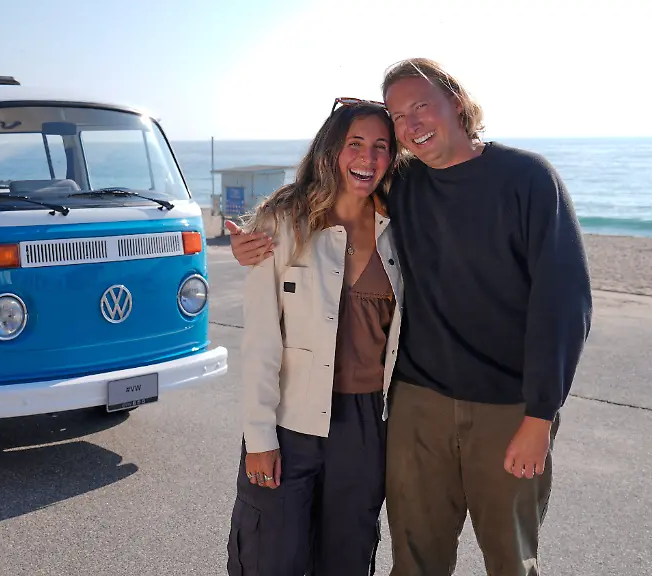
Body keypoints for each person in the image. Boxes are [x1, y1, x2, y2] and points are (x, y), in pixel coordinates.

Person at [227, 58, 593, 576]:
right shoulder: (372, 198)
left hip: (486, 411)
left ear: (458, 104)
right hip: (404, 407)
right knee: (398, 561)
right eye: (400, 116)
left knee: (505, 560)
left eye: (422, 107)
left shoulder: (515, 181)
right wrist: (251, 242)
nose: (411, 124)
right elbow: (326, 196)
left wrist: (541, 412)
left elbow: (565, 302)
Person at [226, 98, 403, 576]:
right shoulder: (283, 222)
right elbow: (261, 340)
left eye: (381, 147)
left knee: (347, 559)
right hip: (289, 423)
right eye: (356, 144)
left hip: (366, 427)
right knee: (271, 559)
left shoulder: (403, 230)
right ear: (332, 150)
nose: (367, 159)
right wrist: (259, 435)